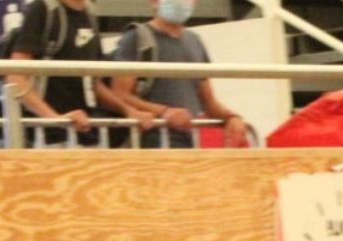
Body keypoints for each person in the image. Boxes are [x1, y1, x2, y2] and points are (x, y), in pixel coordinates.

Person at [2, 0, 149, 147]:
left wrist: (128, 110)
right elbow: (15, 77)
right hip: (47, 139)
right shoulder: (42, 9)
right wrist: (54, 118)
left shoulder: (90, 14)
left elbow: (92, 83)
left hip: (84, 135)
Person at [106, 0, 250, 148]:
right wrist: (164, 112)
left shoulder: (195, 42)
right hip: (149, 143)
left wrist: (232, 117)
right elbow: (119, 95)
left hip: (188, 144)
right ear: (154, 2)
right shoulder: (136, 38)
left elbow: (208, 102)